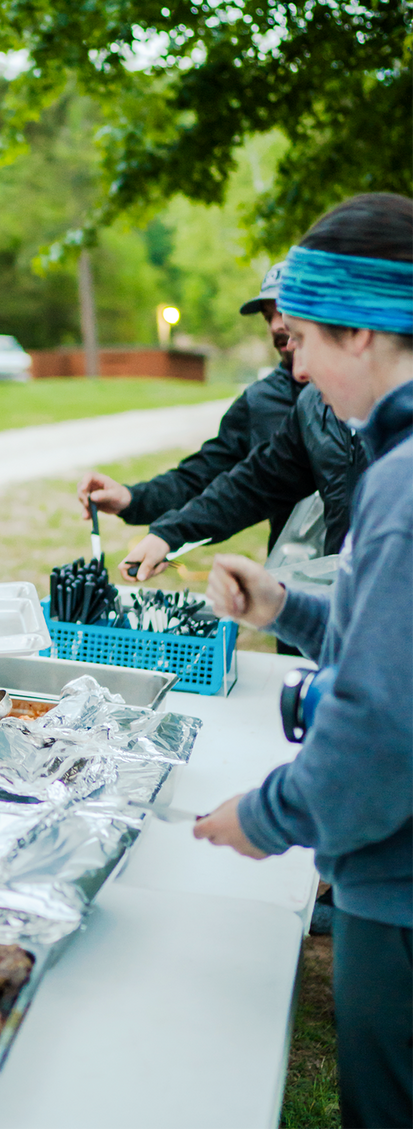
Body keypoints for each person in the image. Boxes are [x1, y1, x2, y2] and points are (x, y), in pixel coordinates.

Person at [195, 193, 413, 1129]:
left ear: (362, 334)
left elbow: (384, 720)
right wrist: (285, 605)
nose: (305, 373)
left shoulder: (402, 474)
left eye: (306, 340)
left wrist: (267, 814)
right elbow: (389, 631)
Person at [77, 263, 367, 583]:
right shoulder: (273, 403)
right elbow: (239, 481)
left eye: (286, 315)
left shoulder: (379, 407)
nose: (276, 327)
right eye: (268, 317)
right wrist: (145, 510)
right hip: (306, 587)